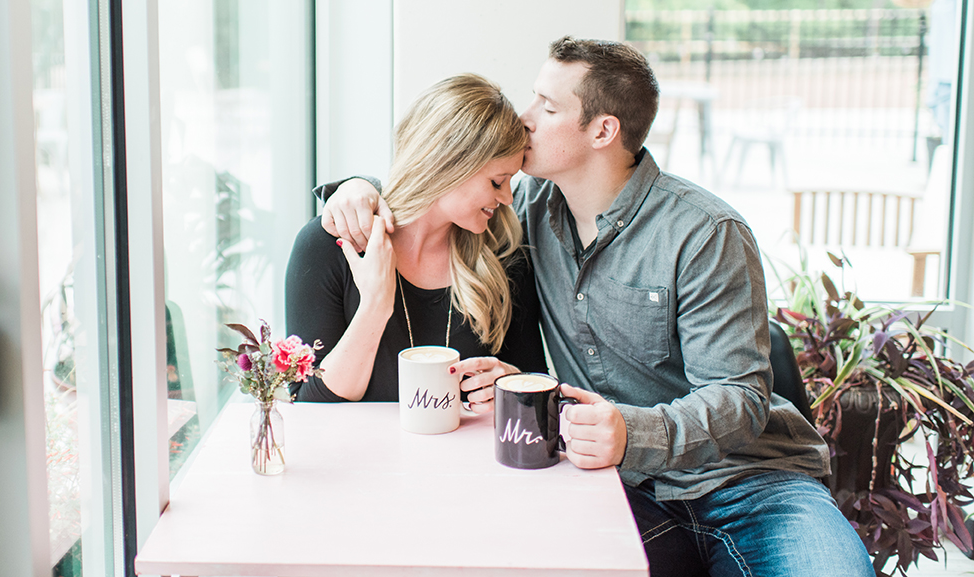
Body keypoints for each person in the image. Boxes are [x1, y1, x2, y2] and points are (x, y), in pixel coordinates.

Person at [322, 39, 874, 577]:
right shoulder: (526, 215)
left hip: (750, 484)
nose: (525, 117)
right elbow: (445, 179)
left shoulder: (704, 233)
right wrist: (353, 189)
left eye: (548, 105)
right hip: (619, 486)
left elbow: (740, 397)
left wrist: (631, 434)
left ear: (603, 130)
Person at [285, 73, 547, 407]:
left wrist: (509, 381)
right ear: (449, 165)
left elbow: (536, 385)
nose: (508, 198)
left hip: (465, 459)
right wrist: (375, 307)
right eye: (497, 182)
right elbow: (310, 404)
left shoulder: (504, 255)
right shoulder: (328, 246)